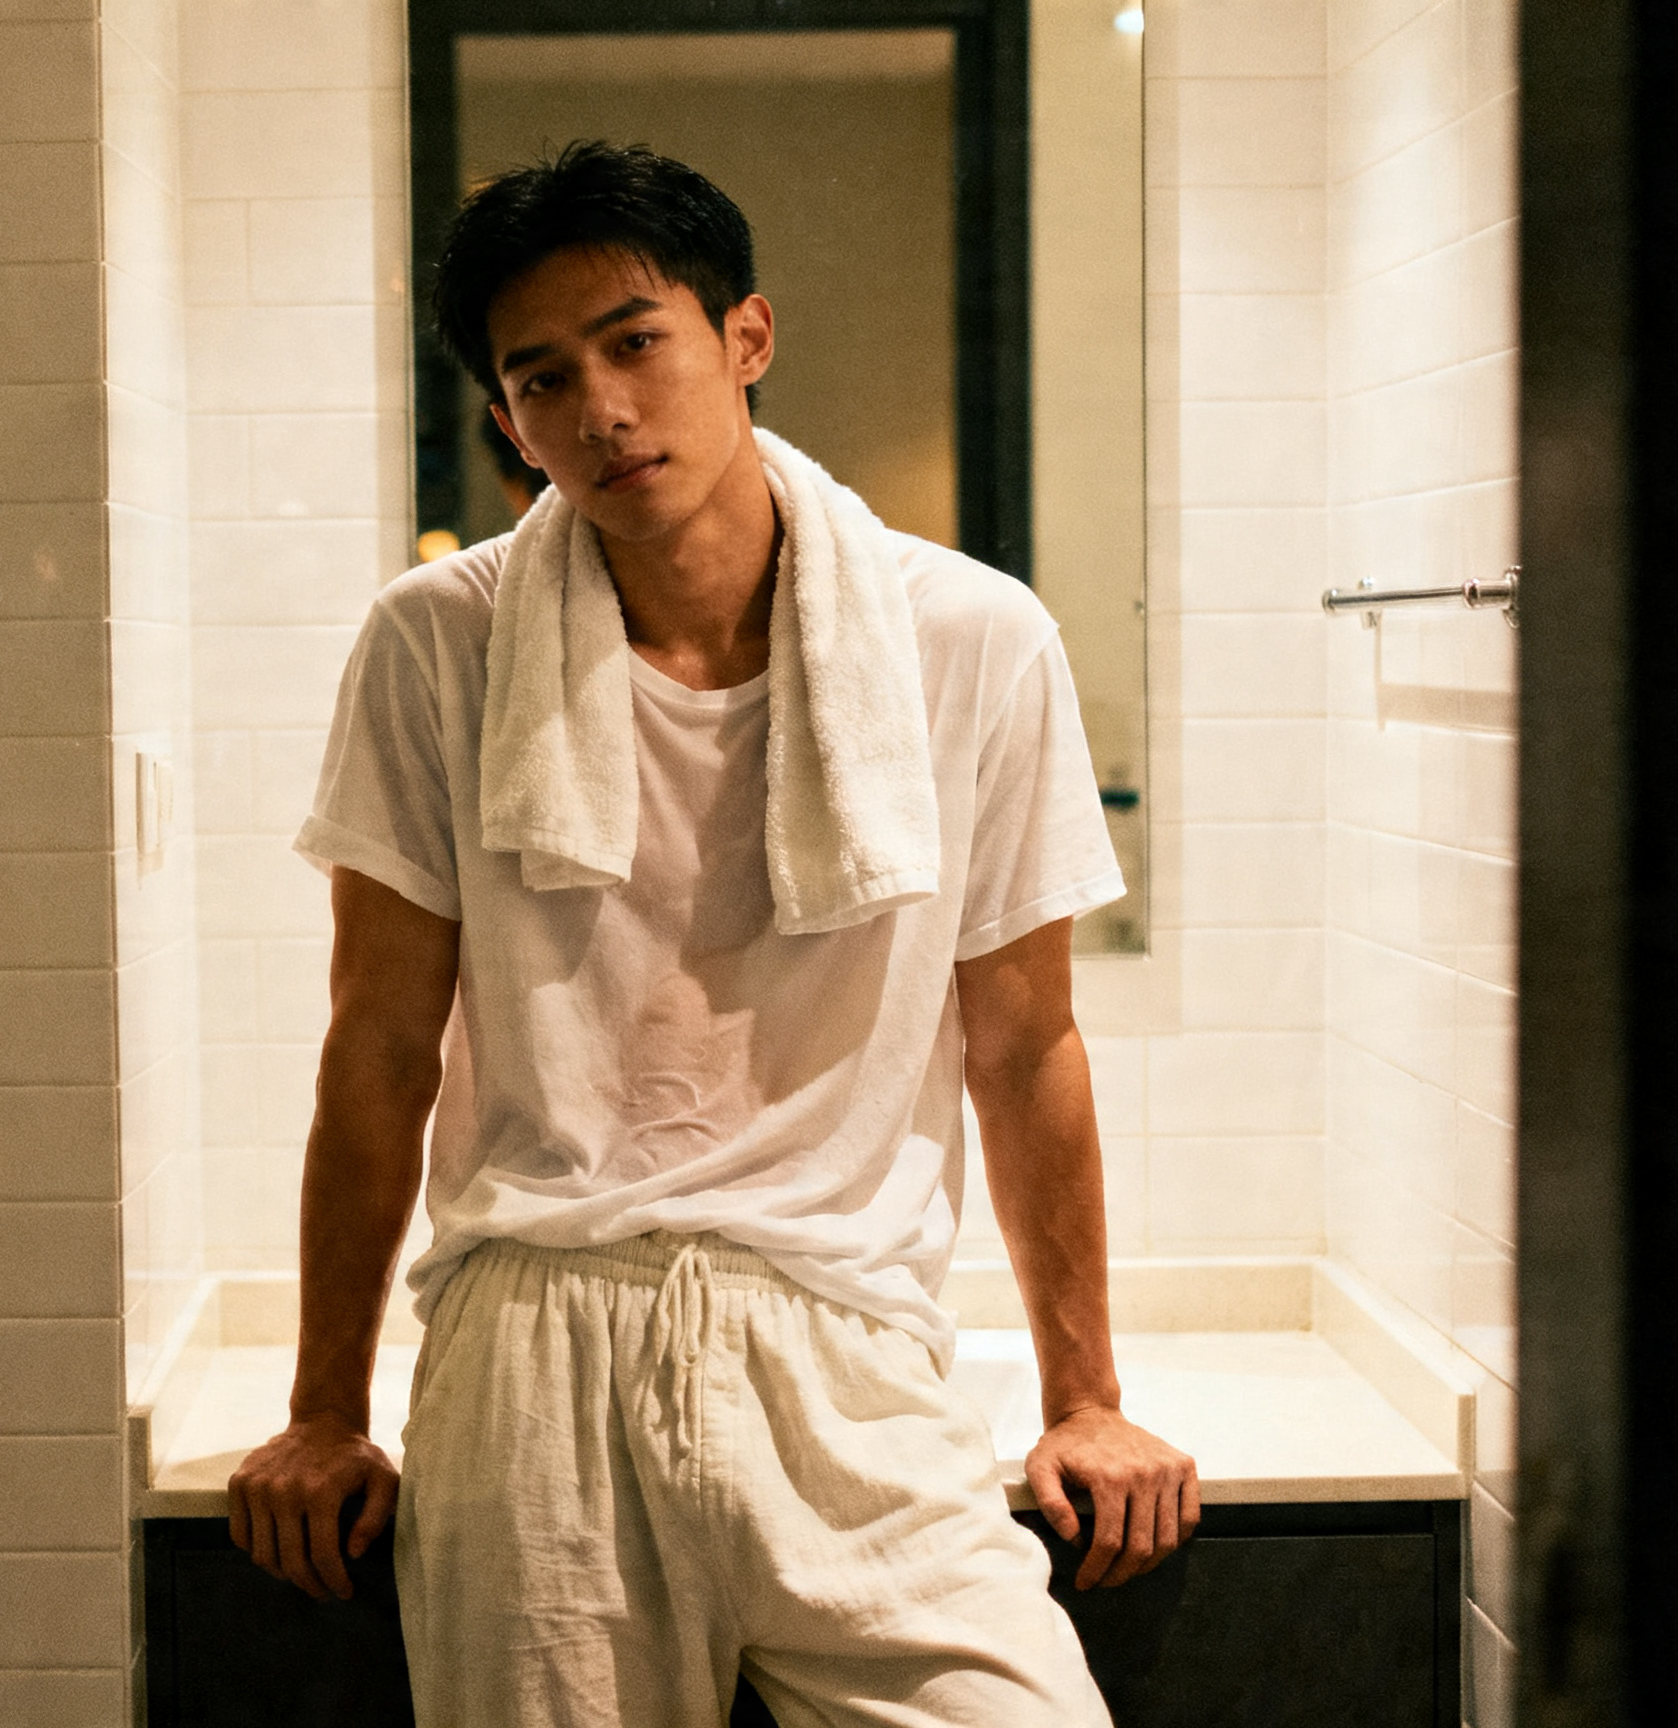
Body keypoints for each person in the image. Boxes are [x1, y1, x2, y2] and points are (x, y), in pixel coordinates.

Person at [229, 140, 1197, 1727]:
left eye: (634, 341)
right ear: (505, 424)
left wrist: (1088, 1400)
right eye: (540, 380)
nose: (599, 409)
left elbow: (1023, 1042)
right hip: (535, 1344)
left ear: (744, 338)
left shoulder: (973, 637)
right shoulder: (439, 645)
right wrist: (324, 1405)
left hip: (849, 1353)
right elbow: (383, 1043)